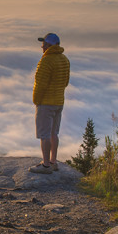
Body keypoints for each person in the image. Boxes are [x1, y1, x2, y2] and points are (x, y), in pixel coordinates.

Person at [30, 33, 70, 174]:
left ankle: (46, 165)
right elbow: (65, 82)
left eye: (44, 44)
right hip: (59, 101)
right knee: (54, 133)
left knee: (44, 134)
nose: (42, 46)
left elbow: (40, 84)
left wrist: (36, 100)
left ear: (48, 46)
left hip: (46, 102)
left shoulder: (46, 61)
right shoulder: (64, 59)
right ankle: (53, 162)